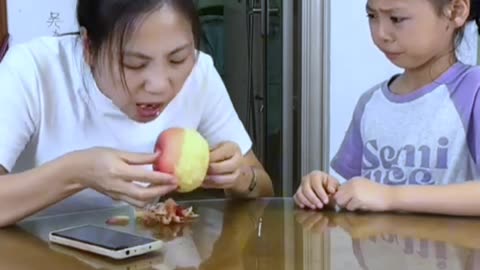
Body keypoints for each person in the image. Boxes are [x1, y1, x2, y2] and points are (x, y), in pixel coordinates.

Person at [0, 0, 273, 228]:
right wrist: (78, 172)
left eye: (178, 59)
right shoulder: (34, 70)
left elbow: (263, 187)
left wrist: (241, 179)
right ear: (89, 48)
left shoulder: (200, 76)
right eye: (134, 64)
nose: (159, 85)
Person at [294, 0, 480, 216]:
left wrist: (391, 196)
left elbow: (381, 196)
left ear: (455, 11)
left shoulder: (473, 91)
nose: (381, 34)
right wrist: (325, 191)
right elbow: (359, 191)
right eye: (372, 17)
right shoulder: (371, 103)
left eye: (396, 19)